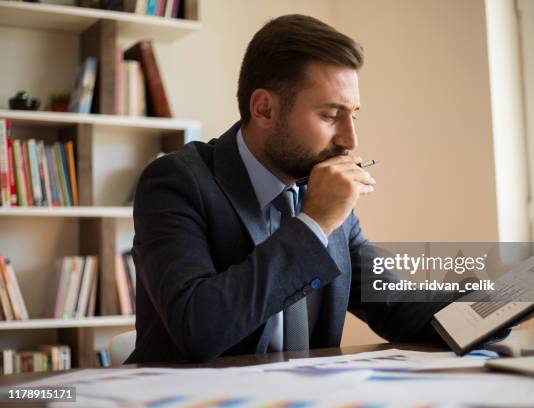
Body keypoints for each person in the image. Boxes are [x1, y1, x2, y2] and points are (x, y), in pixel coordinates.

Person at [126, 14, 446, 364]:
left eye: (353, 115)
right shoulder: (175, 182)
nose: (350, 139)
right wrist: (315, 223)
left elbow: (395, 307)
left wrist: (497, 302)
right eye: (329, 115)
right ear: (264, 108)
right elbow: (199, 329)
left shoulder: (321, 192)